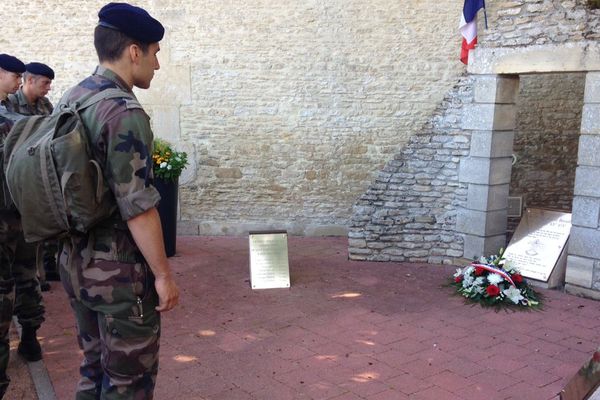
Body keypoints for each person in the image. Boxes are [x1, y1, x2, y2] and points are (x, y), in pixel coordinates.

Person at [55, 3, 179, 398]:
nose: (157, 66)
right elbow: (138, 206)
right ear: (134, 51)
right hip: (119, 275)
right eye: (155, 53)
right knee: (129, 382)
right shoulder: (123, 111)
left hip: (74, 261)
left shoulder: (72, 98)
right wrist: (162, 275)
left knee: (93, 370)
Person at [0, 53, 45, 398]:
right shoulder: (10, 113)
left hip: (21, 211)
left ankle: (29, 337)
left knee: (27, 274)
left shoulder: (37, 109)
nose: (18, 81)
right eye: (14, 76)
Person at [6, 62, 59, 291]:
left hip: (37, 175)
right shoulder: (9, 105)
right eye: (45, 83)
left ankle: (41, 271)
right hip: (15, 178)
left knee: (38, 229)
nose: (48, 88)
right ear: (30, 81)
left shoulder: (45, 105)